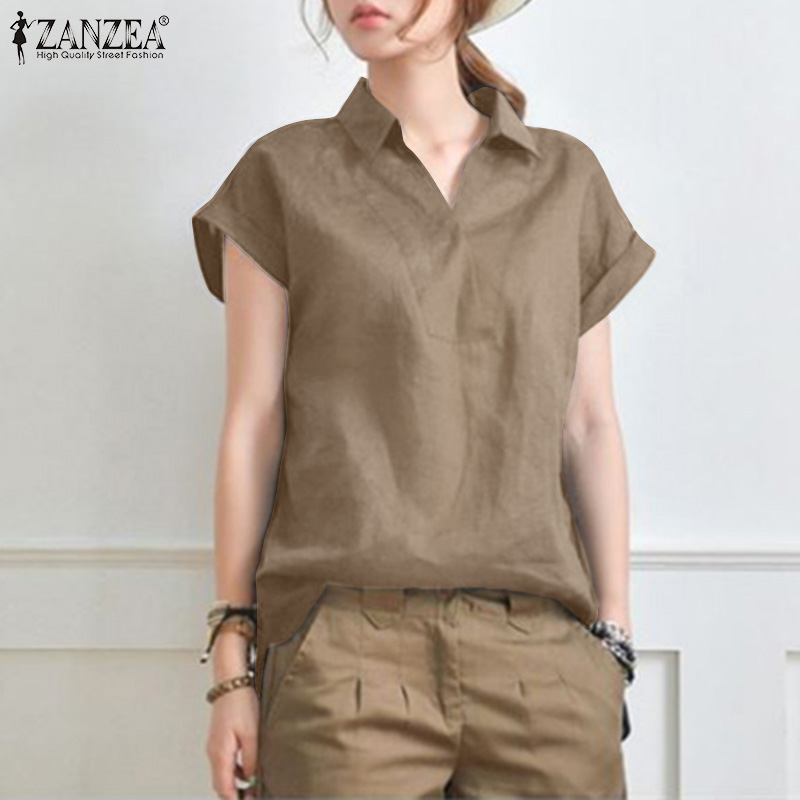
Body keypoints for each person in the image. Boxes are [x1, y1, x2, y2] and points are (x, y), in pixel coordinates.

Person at [191, 0, 656, 797]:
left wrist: (613, 635)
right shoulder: (283, 174)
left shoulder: (565, 179)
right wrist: (232, 657)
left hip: (544, 651)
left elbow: (589, 423)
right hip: (343, 652)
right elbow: (253, 421)